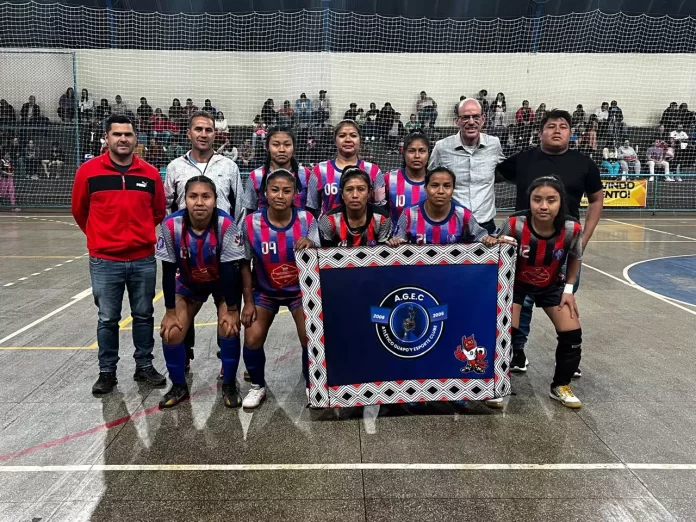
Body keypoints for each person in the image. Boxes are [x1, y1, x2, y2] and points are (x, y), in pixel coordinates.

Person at [496, 109, 603, 377]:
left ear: (571, 133)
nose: (557, 130)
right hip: (523, 246)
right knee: (519, 303)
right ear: (541, 131)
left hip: (562, 249)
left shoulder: (584, 163)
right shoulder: (523, 159)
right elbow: (491, 176)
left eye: (563, 126)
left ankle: (567, 358)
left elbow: (596, 199)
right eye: (551, 126)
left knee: (563, 298)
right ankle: (516, 352)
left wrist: (584, 238)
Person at [71, 114, 167, 394]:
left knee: (144, 314)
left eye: (128, 134)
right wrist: (101, 237)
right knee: (107, 318)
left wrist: (139, 235)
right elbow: (79, 211)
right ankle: (107, 372)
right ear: (107, 138)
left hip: (142, 259)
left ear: (135, 139)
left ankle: (144, 365)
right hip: (105, 260)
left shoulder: (149, 173)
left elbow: (158, 211)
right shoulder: (88, 172)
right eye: (117, 134)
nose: (123, 139)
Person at [156, 175, 246, 408]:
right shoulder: (171, 225)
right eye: (193, 196)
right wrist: (170, 312)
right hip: (189, 283)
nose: (199, 202)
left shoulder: (226, 225)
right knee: (171, 331)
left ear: (215, 200)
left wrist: (232, 310)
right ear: (184, 199)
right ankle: (178, 386)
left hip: (222, 284)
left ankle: (229, 383)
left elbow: (230, 271)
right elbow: (168, 271)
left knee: (229, 327)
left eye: (206, 196)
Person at [164, 110, 245, 367]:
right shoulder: (175, 167)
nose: (203, 134)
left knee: (228, 312)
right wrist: (175, 242)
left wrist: (233, 245)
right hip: (188, 253)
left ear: (215, 133)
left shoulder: (229, 166)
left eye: (208, 130)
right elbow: (167, 206)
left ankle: (226, 365)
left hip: (222, 252)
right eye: (198, 129)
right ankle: (184, 357)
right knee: (183, 311)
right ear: (189, 133)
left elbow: (239, 208)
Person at [496, 176, 584, 408]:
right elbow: (496, 252)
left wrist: (568, 290)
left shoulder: (572, 228)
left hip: (552, 285)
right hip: (515, 285)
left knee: (572, 335)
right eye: (537, 199)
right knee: (505, 331)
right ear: (530, 201)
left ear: (561, 202)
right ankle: (496, 384)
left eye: (551, 200)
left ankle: (560, 386)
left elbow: (575, 257)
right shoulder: (514, 224)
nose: (543, 206)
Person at [239, 169, 320, 408]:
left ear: (295, 194)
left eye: (286, 191)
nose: (280, 195)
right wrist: (248, 302)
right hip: (265, 292)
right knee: (252, 337)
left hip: (299, 292)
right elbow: (244, 264)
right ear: (265, 192)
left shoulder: (307, 220)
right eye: (274, 190)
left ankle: (312, 386)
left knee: (309, 337)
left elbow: (319, 256)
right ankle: (257, 386)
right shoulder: (251, 223)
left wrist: (312, 243)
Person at [428, 99, 505, 234]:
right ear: (457, 121)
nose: (471, 122)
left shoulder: (494, 145)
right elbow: (429, 181)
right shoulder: (442, 147)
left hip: (486, 226)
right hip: (453, 225)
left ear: (483, 119)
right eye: (465, 117)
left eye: (476, 117)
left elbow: (503, 172)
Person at [388, 166, 497, 247]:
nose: (441, 191)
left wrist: (488, 240)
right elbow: (398, 241)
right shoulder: (408, 215)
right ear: (425, 188)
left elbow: (481, 236)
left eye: (447, 186)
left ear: (453, 189)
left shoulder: (463, 215)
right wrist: (395, 241)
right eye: (435, 185)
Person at [312, 119, 385, 213]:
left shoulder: (373, 170)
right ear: (335, 140)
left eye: (353, 135)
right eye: (342, 136)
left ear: (360, 140)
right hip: (327, 222)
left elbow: (380, 208)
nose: (348, 140)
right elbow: (312, 208)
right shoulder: (319, 170)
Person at [243, 126, 319, 215]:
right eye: (276, 144)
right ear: (267, 147)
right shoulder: (255, 176)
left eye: (287, 145)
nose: (282, 150)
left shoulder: (307, 175)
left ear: (294, 147)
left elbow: (313, 210)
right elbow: (249, 212)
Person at [318, 166, 392, 247]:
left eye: (361, 189)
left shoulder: (382, 219)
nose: (355, 195)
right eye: (349, 189)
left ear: (369, 193)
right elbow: (324, 252)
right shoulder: (328, 220)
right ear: (342, 194)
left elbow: (384, 252)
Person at [384, 131, 430, 226]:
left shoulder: (436, 181)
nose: (417, 156)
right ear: (404, 152)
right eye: (411, 151)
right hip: (395, 235)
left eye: (422, 151)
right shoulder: (389, 179)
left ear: (428, 153)